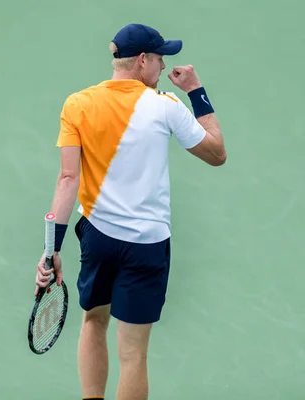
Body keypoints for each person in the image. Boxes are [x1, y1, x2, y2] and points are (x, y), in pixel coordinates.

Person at [34, 23, 227, 400]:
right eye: (160, 58)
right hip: (147, 245)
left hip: (98, 238)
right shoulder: (166, 105)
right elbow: (217, 153)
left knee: (93, 321)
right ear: (143, 61)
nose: (162, 66)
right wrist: (195, 92)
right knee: (134, 354)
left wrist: (50, 250)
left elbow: (67, 179)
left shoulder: (77, 103)